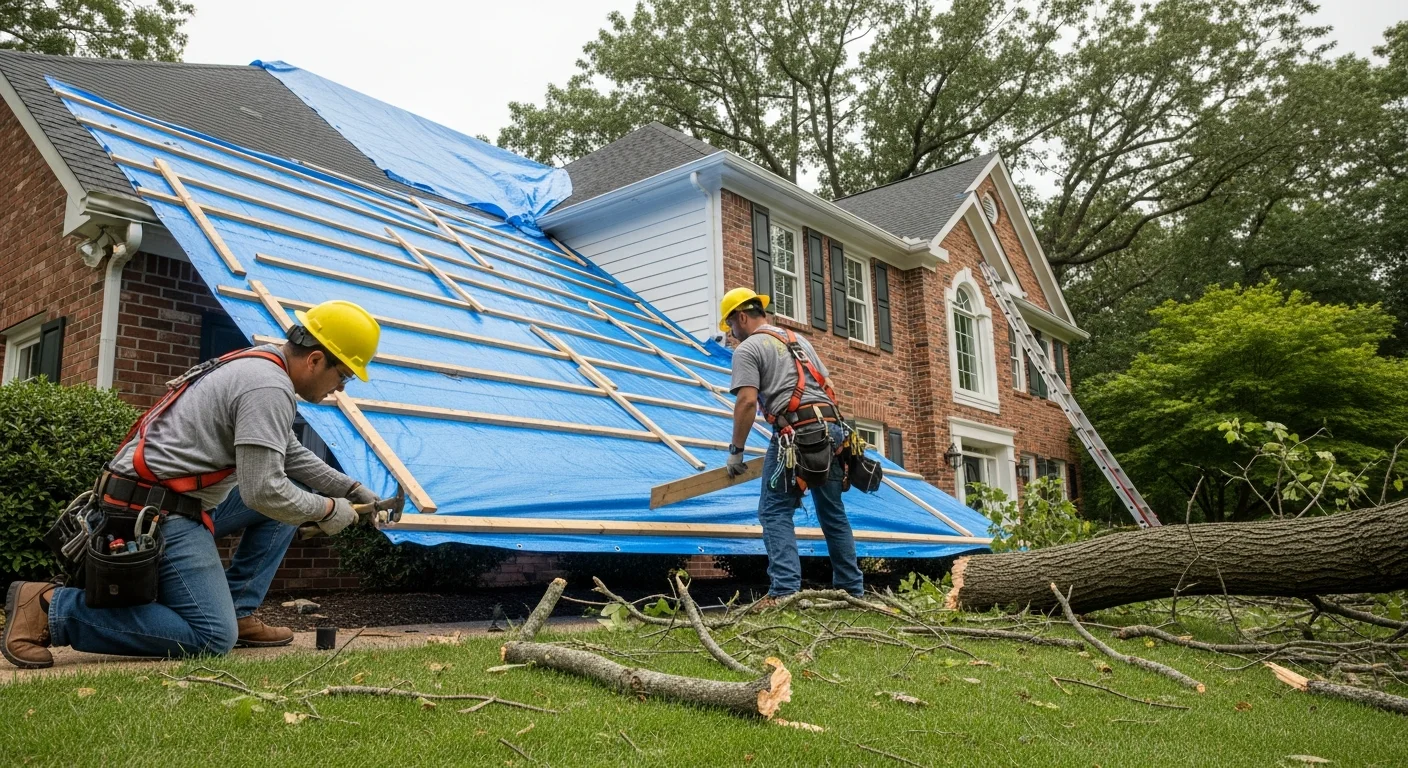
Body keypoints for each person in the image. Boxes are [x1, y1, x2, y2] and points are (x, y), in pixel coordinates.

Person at [3, 300, 384, 669]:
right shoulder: (269, 387)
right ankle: (50, 608)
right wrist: (331, 510)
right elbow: (263, 490)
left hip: (166, 497)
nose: (342, 389)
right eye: (344, 376)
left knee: (284, 511)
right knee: (211, 637)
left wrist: (349, 489)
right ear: (316, 359)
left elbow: (289, 453)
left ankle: (236, 611)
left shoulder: (259, 366)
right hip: (154, 510)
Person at [718, 287, 864, 602]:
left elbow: (746, 402)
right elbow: (830, 386)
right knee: (833, 512)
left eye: (731, 325)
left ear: (742, 316)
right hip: (833, 430)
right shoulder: (799, 341)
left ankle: (784, 592)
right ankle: (852, 591)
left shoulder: (747, 349)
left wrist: (736, 452)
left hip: (797, 433)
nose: (731, 334)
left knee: (773, 511)